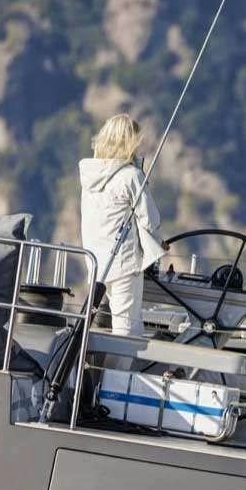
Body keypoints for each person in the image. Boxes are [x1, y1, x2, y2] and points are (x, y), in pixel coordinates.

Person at [80, 113, 164, 339]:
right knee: (128, 331)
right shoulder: (131, 176)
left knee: (99, 322)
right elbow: (151, 220)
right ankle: (118, 374)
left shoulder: (89, 177)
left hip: (96, 263)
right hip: (123, 264)